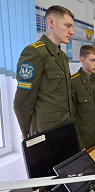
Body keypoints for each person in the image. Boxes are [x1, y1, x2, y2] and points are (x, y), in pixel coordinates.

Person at [14, 5, 75, 139]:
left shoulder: (62, 56)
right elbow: (22, 102)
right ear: (51, 22)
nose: (72, 32)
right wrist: (28, 133)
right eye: (68, 26)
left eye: (72, 27)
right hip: (45, 134)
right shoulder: (34, 52)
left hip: (66, 130)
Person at [71, 45, 95, 150]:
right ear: (82, 60)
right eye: (92, 60)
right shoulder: (73, 82)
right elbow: (71, 117)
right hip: (85, 139)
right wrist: (79, 144)